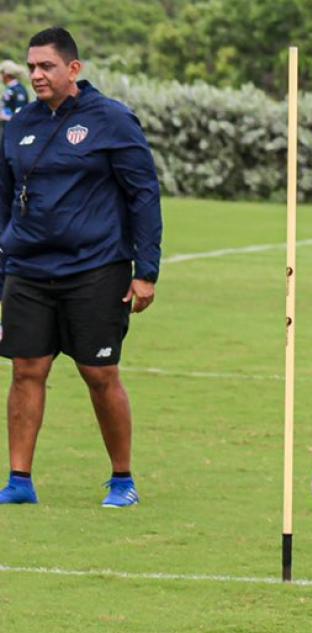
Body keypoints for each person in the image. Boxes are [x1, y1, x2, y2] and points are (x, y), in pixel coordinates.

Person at [0, 27, 162, 507]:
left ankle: (122, 480)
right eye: (31, 66)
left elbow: (143, 194)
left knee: (99, 373)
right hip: (27, 269)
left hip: (95, 268)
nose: (36, 75)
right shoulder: (18, 125)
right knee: (26, 370)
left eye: (46, 66)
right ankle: (19, 482)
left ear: (73, 69)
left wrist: (146, 269)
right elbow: (4, 203)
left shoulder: (112, 120)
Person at [1, 60, 29, 124]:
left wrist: (4, 117)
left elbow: (20, 115)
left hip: (14, 129)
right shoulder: (9, 89)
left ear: (6, 75)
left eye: (1, 73)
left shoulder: (19, 90)